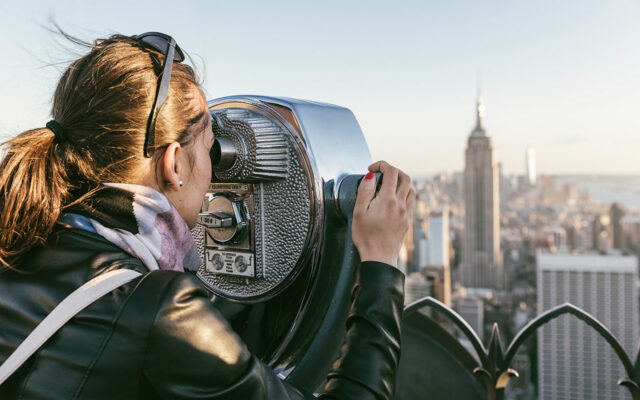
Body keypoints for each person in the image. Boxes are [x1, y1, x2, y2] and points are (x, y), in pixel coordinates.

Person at [0, 32, 415, 399]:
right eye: (212, 148)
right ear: (174, 164)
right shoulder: (161, 310)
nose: (216, 174)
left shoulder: (19, 244)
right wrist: (379, 262)